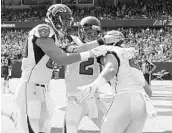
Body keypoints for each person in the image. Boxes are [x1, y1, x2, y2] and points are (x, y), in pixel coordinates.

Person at [14, 4, 118, 133]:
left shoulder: (57, 38)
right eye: (64, 18)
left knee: (44, 128)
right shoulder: (44, 29)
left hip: (44, 89)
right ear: (55, 18)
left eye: (69, 19)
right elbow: (62, 58)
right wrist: (94, 50)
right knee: (33, 127)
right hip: (31, 86)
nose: (67, 23)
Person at [77, 30, 156, 133]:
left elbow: (111, 69)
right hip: (142, 103)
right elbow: (149, 92)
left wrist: (95, 85)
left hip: (123, 98)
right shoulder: (130, 56)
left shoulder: (110, 50)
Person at [63, 16, 111, 133]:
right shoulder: (73, 42)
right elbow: (79, 50)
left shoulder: (100, 48)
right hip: (76, 97)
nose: (93, 36)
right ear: (81, 31)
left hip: (93, 97)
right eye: (89, 32)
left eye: (95, 33)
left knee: (113, 127)